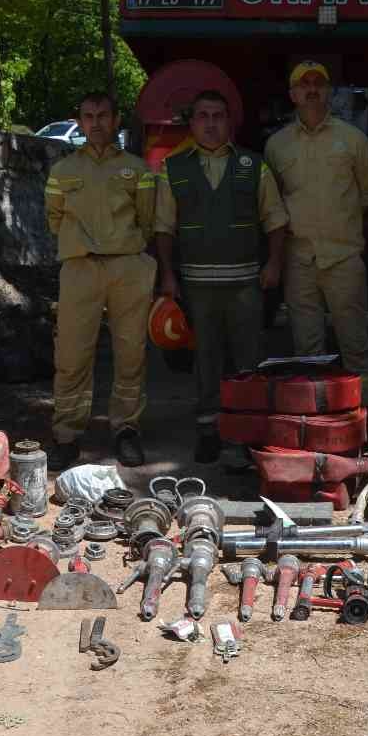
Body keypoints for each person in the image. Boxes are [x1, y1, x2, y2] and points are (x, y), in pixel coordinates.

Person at [155, 90, 289, 465]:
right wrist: (168, 274)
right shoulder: (173, 167)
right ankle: (208, 430)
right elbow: (164, 227)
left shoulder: (253, 164)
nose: (211, 123)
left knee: (248, 359)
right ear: (192, 122)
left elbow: (276, 221)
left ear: (229, 122)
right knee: (206, 358)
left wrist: (274, 263)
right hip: (197, 285)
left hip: (246, 282)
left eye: (218, 116)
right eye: (203, 116)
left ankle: (246, 432)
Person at [43, 91, 157, 471]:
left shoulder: (138, 169)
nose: (96, 123)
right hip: (80, 268)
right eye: (88, 116)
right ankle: (67, 436)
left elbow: (147, 218)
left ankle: (127, 430)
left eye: (103, 115)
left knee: (131, 354)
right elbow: (54, 219)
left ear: (116, 119)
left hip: (128, 267)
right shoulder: (63, 171)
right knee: (72, 356)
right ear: (79, 120)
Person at [264, 61, 368, 411]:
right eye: (304, 84)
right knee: (307, 349)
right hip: (299, 260)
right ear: (293, 94)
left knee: (355, 344)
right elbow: (273, 204)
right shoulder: (277, 146)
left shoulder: (353, 140)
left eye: (319, 83)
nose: (312, 89)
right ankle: (316, 418)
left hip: (343, 257)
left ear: (329, 92)